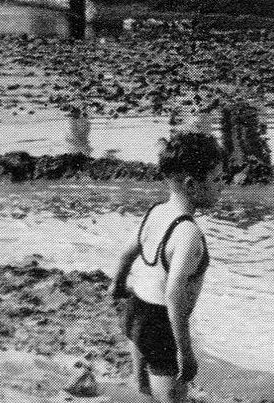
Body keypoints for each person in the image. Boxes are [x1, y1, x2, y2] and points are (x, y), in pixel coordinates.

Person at [111, 131, 226, 403]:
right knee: (172, 398)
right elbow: (173, 294)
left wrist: (117, 286)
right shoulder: (188, 233)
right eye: (217, 179)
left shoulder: (156, 211)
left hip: (135, 311)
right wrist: (185, 352)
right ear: (192, 185)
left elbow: (127, 254)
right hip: (160, 324)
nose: (223, 186)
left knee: (143, 389)